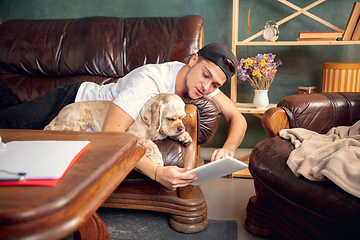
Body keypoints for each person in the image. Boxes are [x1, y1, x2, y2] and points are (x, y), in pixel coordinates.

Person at [0, 43, 247, 190]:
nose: (207, 88)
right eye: (206, 76)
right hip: (74, 103)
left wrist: (229, 148)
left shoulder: (199, 84)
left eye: (215, 85)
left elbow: (238, 118)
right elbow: (111, 136)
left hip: (82, 106)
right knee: (6, 123)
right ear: (193, 60)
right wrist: (157, 172)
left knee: (11, 111)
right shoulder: (150, 81)